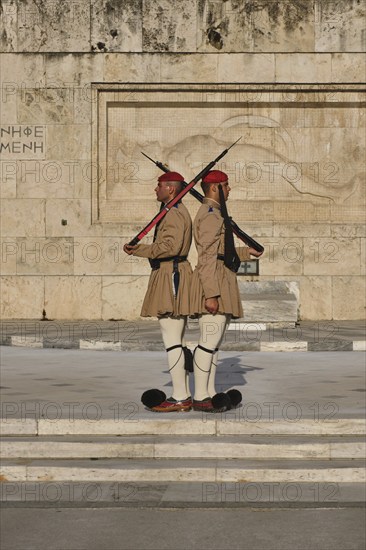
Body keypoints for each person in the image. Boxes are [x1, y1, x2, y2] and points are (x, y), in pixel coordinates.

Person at [190, 170, 263, 413]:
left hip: (221, 276)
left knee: (213, 344)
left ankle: (209, 392)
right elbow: (207, 256)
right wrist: (211, 293)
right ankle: (200, 395)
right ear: (214, 188)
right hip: (215, 280)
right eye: (226, 185)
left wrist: (246, 253)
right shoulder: (211, 215)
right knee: (207, 343)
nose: (229, 190)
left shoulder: (216, 213)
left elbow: (222, 250)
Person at [123, 172, 193, 412]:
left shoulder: (173, 213)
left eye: (159, 186)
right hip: (171, 272)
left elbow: (169, 247)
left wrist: (139, 250)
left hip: (170, 274)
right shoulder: (174, 210)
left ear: (171, 189)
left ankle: (180, 396)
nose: (155, 189)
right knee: (177, 338)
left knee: (172, 340)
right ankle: (183, 393)